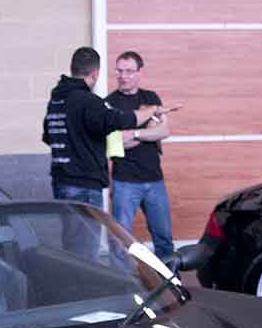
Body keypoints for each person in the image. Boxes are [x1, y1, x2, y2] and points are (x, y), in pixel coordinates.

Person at [42, 46, 161, 257]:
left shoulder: (57, 101)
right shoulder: (87, 101)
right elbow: (119, 121)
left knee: (72, 248)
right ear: (95, 73)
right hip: (84, 187)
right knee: (86, 252)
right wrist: (151, 110)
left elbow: (49, 136)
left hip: (62, 184)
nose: (123, 76)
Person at [106, 50, 174, 264]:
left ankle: (169, 279)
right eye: (119, 71)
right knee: (120, 243)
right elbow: (115, 144)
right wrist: (148, 131)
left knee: (164, 239)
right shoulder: (108, 104)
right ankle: (122, 282)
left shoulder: (151, 98)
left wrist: (134, 134)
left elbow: (164, 131)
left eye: (129, 71)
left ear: (139, 73)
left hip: (155, 180)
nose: (123, 76)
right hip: (124, 182)